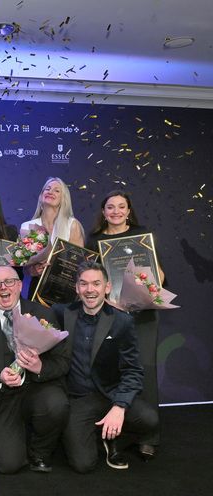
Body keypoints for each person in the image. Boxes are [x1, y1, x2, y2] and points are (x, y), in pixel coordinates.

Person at [0, 265, 70, 473]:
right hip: (0, 395)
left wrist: (39, 367)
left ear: (19, 285)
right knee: (8, 465)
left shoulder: (43, 313)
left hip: (36, 390)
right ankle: (17, 440)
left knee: (56, 405)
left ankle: (40, 452)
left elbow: (62, 362)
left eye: (9, 282)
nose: (3, 288)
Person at [52, 262, 159, 472]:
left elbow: (133, 370)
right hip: (78, 398)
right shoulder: (61, 313)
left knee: (149, 419)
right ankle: (96, 434)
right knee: (83, 464)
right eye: (84, 284)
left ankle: (115, 437)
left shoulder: (122, 321)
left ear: (107, 287)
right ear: (76, 288)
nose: (89, 289)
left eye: (96, 283)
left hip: (110, 393)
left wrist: (119, 407)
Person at [85, 190, 165, 459]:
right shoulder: (94, 240)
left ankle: (148, 437)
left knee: (145, 372)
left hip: (143, 315)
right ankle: (115, 433)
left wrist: (151, 284)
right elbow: (91, 279)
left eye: (122, 206)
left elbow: (159, 275)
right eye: (111, 207)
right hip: (110, 314)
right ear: (103, 212)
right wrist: (110, 299)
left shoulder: (143, 235)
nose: (116, 211)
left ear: (129, 210)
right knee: (113, 371)